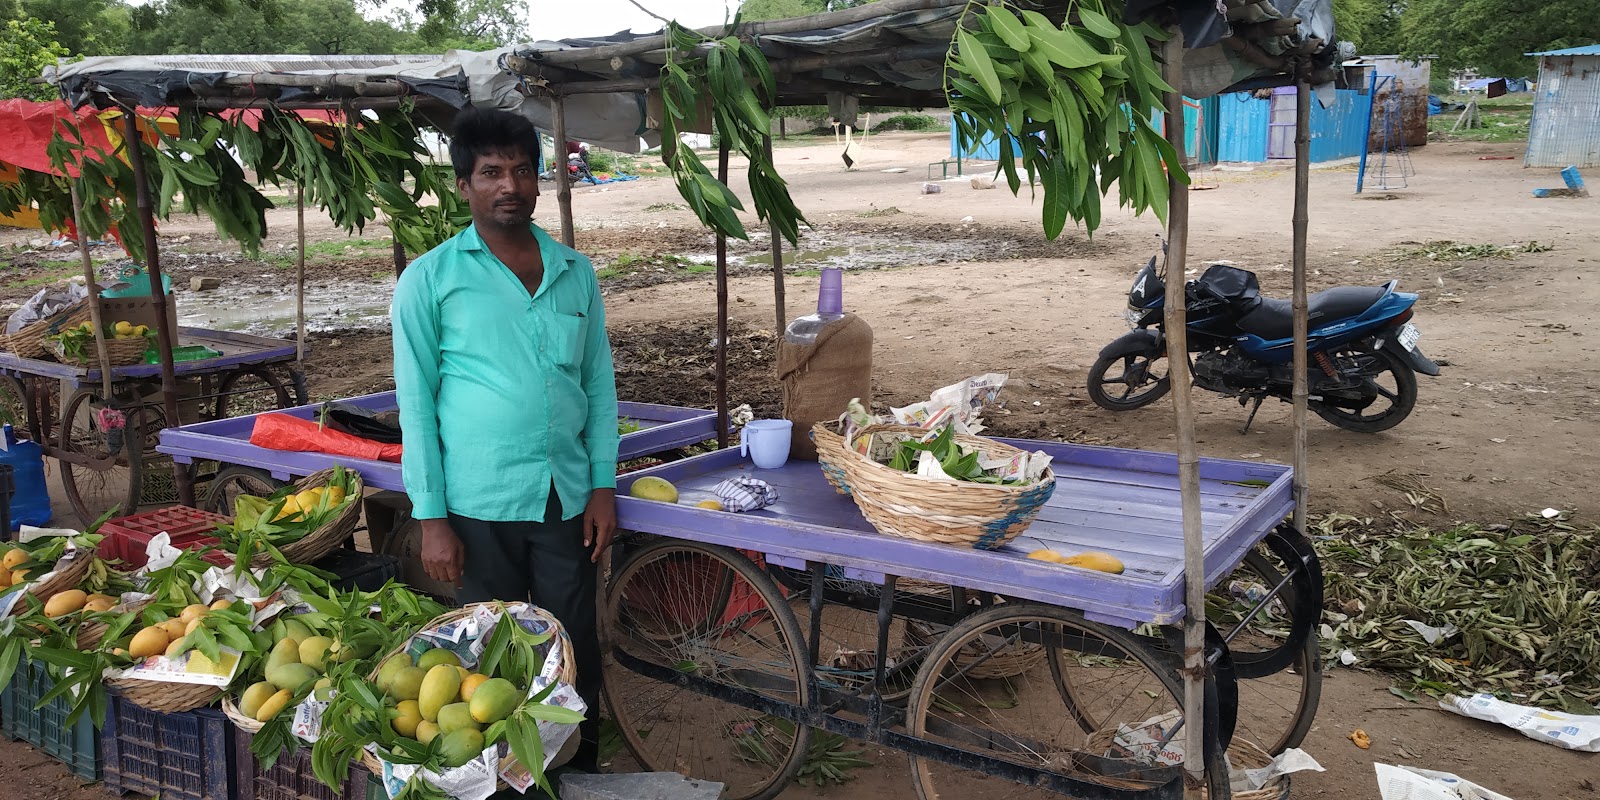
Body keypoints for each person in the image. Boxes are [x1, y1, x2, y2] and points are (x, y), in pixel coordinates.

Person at [391, 107, 617, 774]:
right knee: (493, 659)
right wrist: (431, 518)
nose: (508, 184)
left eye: (521, 169)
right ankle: (506, 781)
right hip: (477, 504)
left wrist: (602, 483)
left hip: (564, 497)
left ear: (540, 181)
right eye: (491, 172)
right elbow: (417, 404)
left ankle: (577, 772)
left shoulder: (575, 273)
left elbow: (598, 388)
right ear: (464, 184)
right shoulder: (430, 280)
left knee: (571, 648)